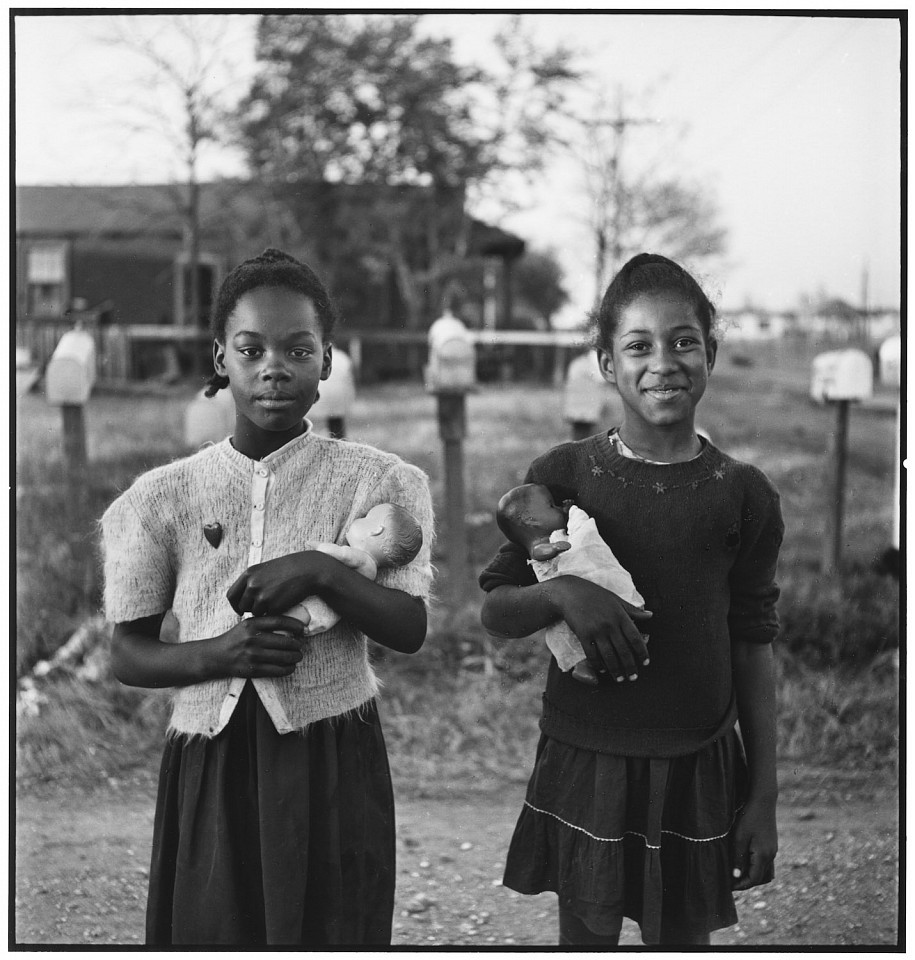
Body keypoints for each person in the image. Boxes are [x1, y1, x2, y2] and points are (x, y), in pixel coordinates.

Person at [101, 248, 435, 947]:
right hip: (211, 764)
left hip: (333, 756)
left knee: (332, 930)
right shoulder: (160, 497)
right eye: (251, 349)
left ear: (326, 362)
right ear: (221, 358)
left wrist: (322, 568)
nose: (273, 367)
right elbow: (127, 654)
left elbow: (408, 626)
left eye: (297, 349)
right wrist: (217, 654)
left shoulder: (381, 483)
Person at [479, 252, 783, 946]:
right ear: (606, 363)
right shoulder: (564, 477)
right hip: (587, 755)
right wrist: (567, 594)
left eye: (683, 341)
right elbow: (496, 610)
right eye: (638, 345)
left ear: (711, 350)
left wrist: (762, 797)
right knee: (583, 938)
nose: (664, 362)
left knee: (681, 937)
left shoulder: (742, 494)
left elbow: (752, 643)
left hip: (696, 760)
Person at [495, 483, 646, 686]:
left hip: (587, 601)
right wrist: (554, 548)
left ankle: (586, 666)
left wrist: (565, 511)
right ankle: (583, 667)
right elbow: (539, 554)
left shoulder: (554, 530)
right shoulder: (539, 545)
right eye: (552, 506)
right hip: (571, 605)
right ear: (531, 520)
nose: (558, 509)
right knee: (575, 642)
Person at [287, 502, 423, 635]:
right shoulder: (372, 569)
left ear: (376, 531)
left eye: (366, 518)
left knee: (289, 620)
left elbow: (342, 554)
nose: (358, 519)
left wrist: (319, 547)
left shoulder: (362, 559)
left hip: (321, 605)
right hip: (330, 612)